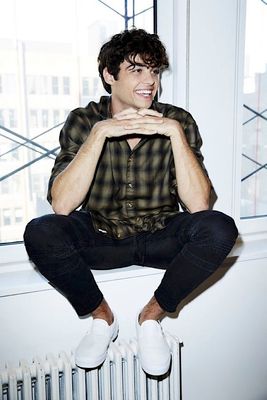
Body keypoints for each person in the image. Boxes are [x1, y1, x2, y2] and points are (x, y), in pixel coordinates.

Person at [24, 28, 238, 376]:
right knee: (40, 232)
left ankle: (151, 317)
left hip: (161, 236)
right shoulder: (84, 120)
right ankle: (102, 317)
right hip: (101, 235)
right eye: (137, 70)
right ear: (110, 76)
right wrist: (101, 132)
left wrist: (174, 134)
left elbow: (200, 205)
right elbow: (62, 205)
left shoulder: (178, 120)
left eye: (154, 71)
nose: (149, 81)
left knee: (220, 229)